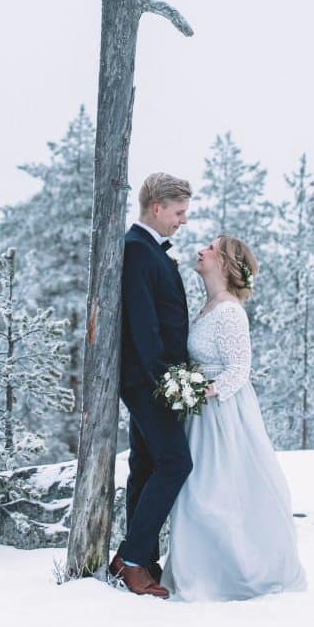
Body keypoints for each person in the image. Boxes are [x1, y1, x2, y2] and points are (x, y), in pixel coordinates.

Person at [162, 235, 308, 602]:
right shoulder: (209, 307)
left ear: (225, 264)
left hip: (221, 415)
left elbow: (239, 369)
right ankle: (198, 570)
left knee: (214, 491)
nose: (201, 251)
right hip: (200, 412)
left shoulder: (229, 312)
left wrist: (201, 390)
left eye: (211, 249)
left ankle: (230, 576)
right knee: (195, 491)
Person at [109, 171, 193, 599]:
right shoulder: (138, 250)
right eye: (179, 212)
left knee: (144, 465)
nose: (183, 220)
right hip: (149, 380)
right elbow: (143, 325)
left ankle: (140, 559)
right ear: (156, 208)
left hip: (153, 378)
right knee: (176, 463)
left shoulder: (148, 249)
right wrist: (167, 382)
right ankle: (131, 559)